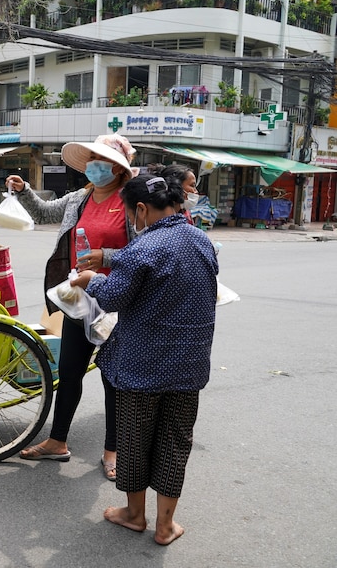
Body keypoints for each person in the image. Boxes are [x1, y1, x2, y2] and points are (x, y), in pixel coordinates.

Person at [70, 174, 218, 545]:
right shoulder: (202, 240)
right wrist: (109, 255)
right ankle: (166, 526)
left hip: (142, 366)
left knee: (134, 442)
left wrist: (92, 279)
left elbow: (114, 297)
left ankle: (135, 515)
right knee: (175, 442)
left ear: (140, 209)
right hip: (189, 366)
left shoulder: (146, 246)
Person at [10, 133, 137, 482]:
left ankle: (112, 450)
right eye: (92, 160)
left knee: (114, 378)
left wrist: (105, 257)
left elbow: (145, 253)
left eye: (103, 162)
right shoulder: (79, 198)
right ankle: (57, 441)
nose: (95, 167)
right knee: (68, 373)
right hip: (80, 301)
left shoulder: (131, 202)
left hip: (116, 300)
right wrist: (23, 191)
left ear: (119, 168)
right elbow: (43, 212)